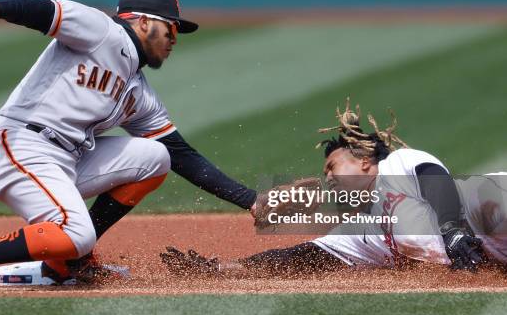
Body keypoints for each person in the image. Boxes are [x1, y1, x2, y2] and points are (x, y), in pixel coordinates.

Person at [0, 0, 259, 293]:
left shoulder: (139, 93)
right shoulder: (102, 31)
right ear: (142, 22)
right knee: (78, 235)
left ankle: (69, 262)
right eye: (171, 27)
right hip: (19, 146)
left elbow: (182, 155)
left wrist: (252, 201)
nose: (174, 38)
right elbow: (44, 12)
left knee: (156, 158)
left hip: (65, 160)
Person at [162, 99, 496, 276]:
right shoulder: (367, 231)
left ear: (364, 158)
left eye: (332, 166)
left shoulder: (396, 166)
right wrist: (225, 268)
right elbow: (306, 257)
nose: (329, 177)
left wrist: (452, 229)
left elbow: (432, 175)